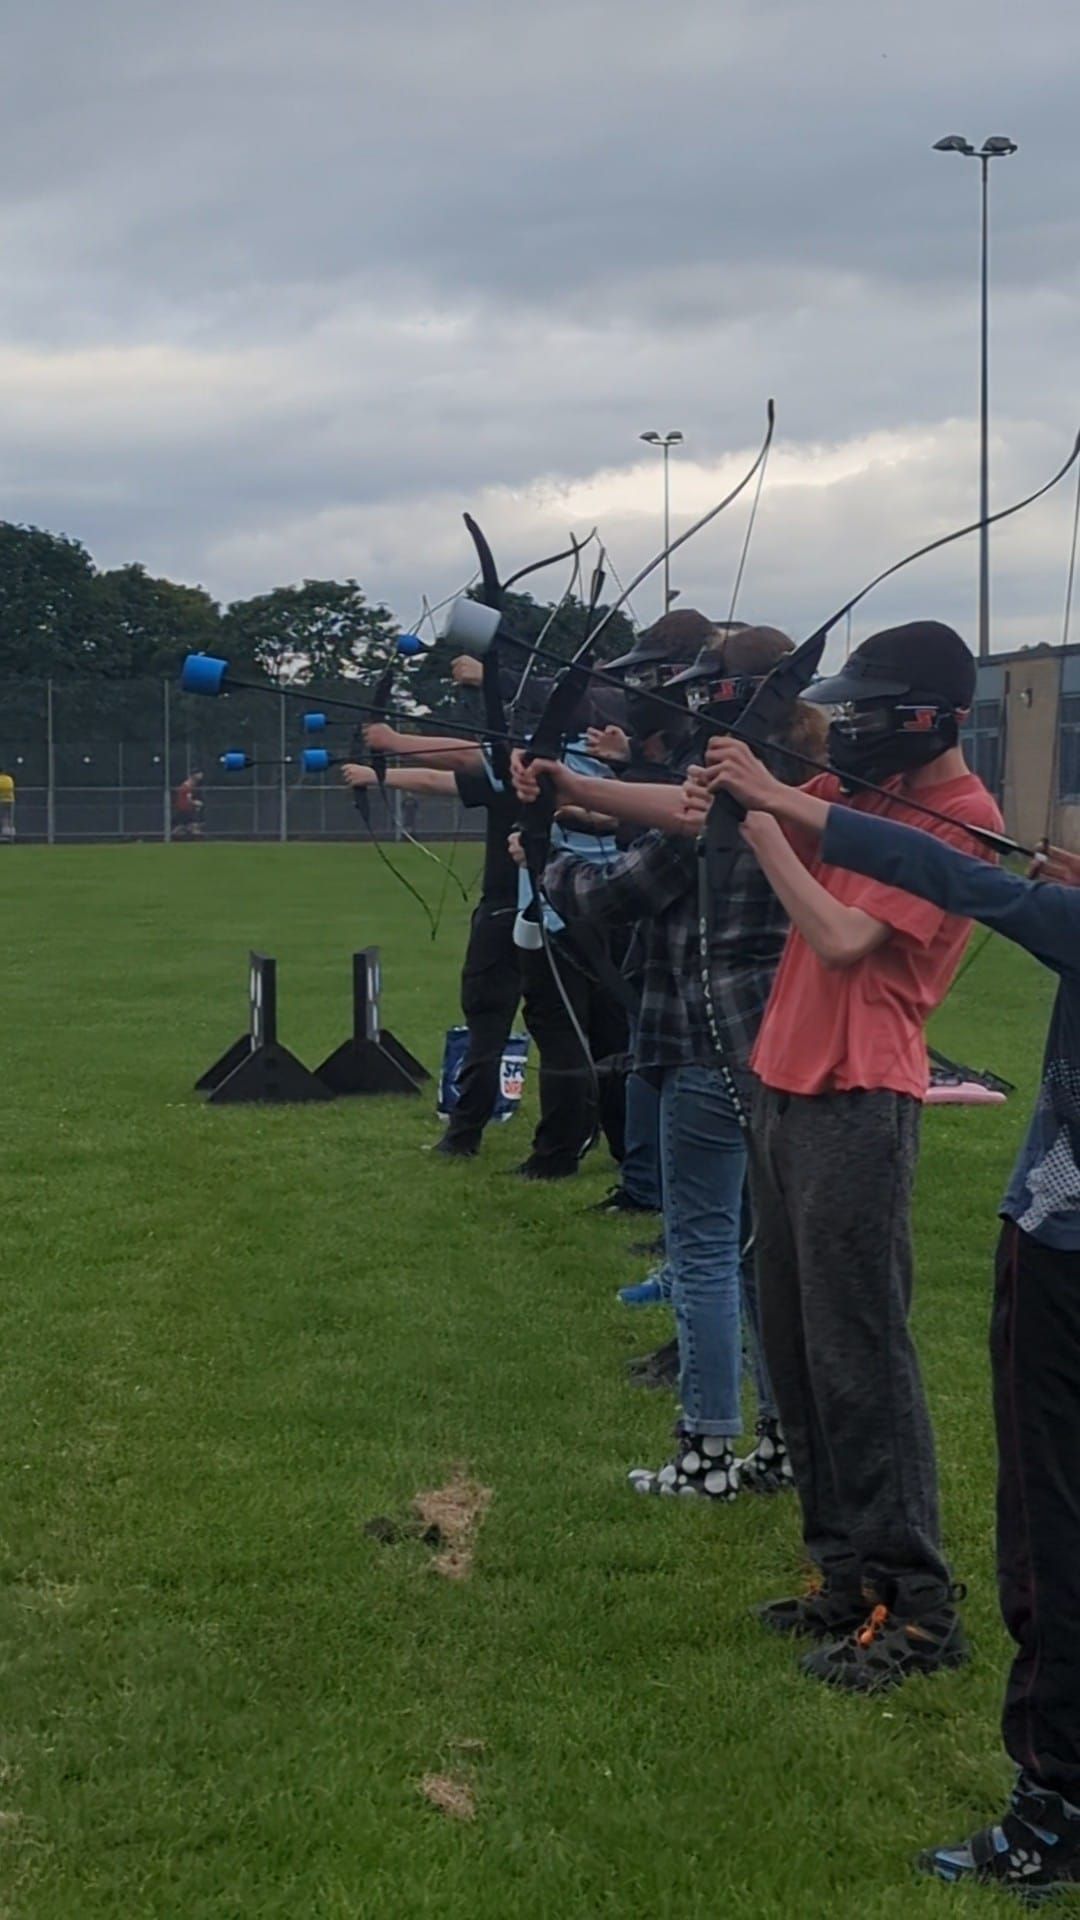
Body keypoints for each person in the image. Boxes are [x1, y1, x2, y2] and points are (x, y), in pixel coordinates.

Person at [744, 802, 1080, 1898]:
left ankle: (1053, 1813)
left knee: (1051, 1536)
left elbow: (937, 867)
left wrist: (778, 804)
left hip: (1063, 1254)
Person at [683, 620, 1003, 1689]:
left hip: (858, 1099)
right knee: (799, 1345)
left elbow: (839, 935)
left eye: (872, 708)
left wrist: (766, 812)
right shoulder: (867, 801)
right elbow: (712, 817)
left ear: (930, 717)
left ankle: (919, 1609)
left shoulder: (958, 821)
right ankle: (843, 1575)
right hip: (787, 1083)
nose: (853, 725)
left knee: (861, 1355)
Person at [515, 626, 825, 1497]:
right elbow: (672, 813)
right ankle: (781, 1444)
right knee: (759, 1249)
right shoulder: (793, 785)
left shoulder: (727, 803)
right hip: (775, 1042)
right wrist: (576, 794)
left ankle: (707, 1453)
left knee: (703, 1249)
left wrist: (544, 859)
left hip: (704, 1043)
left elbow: (620, 893)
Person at [172, 770, 204, 840]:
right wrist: (196, 803)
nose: (201, 775)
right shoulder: (187, 785)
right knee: (192, 826)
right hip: (185, 809)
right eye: (199, 773)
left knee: (186, 826)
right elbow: (188, 799)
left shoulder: (191, 785)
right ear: (194, 775)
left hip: (187, 809)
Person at [0, 768, 14, 842]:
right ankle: (8, 833)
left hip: (1, 800)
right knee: (7, 817)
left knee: (3, 817)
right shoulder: (9, 778)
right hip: (10, 800)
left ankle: (4, 834)